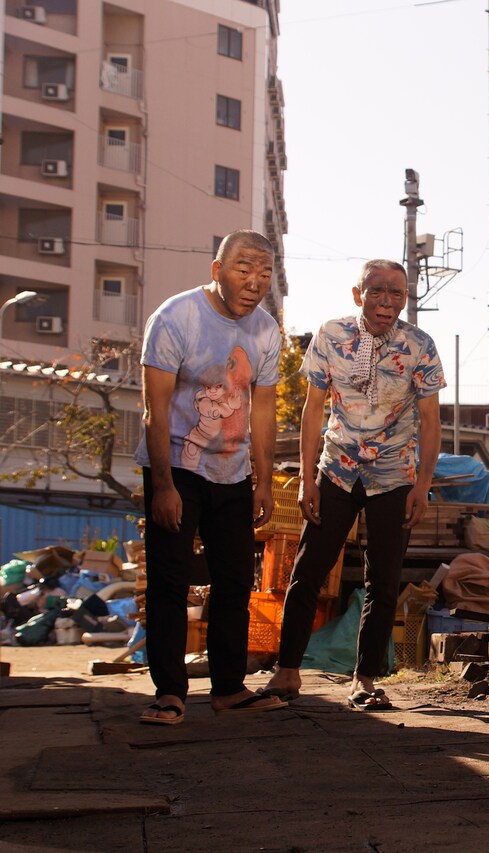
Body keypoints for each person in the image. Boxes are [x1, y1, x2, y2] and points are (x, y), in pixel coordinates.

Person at [260, 260, 443, 711]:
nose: (387, 302)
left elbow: (432, 420)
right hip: (337, 468)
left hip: (393, 475)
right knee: (306, 573)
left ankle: (365, 680)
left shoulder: (419, 345)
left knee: (383, 580)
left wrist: (422, 485)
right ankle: (287, 672)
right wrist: (307, 479)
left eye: (397, 294)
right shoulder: (331, 334)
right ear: (358, 294)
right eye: (377, 292)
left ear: (405, 298)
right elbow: (312, 410)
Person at [136, 229, 288, 724]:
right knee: (170, 580)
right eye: (243, 268)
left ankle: (227, 687)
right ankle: (169, 691)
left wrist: (263, 480)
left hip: (231, 473)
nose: (255, 281)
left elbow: (263, 411)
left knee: (233, 582)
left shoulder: (267, 330)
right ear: (216, 269)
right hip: (177, 466)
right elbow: (154, 410)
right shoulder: (176, 317)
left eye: (264, 272)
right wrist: (162, 486)